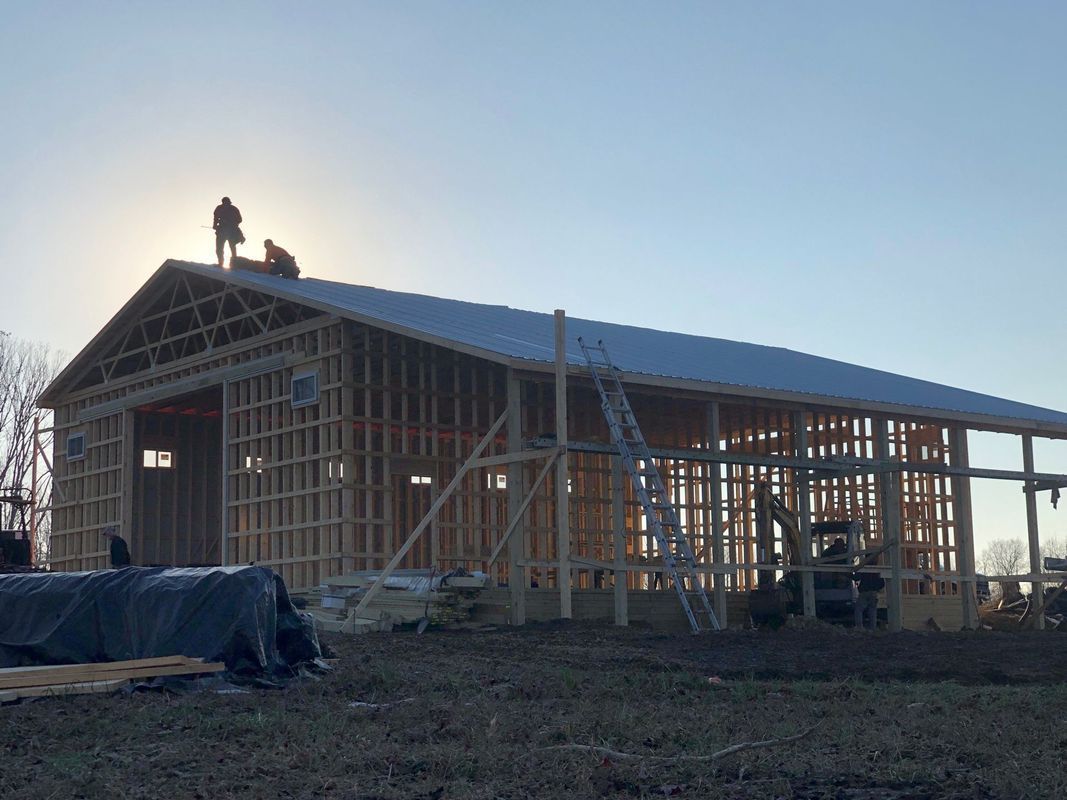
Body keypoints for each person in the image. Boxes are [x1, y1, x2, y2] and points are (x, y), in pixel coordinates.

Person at [213, 197, 245, 267]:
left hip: (231, 231)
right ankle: (222, 263)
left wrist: (230, 222)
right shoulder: (220, 208)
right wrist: (215, 225)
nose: (225, 204)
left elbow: (239, 220)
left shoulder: (233, 209)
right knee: (221, 248)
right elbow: (215, 218)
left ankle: (233, 263)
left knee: (231, 247)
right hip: (224, 231)